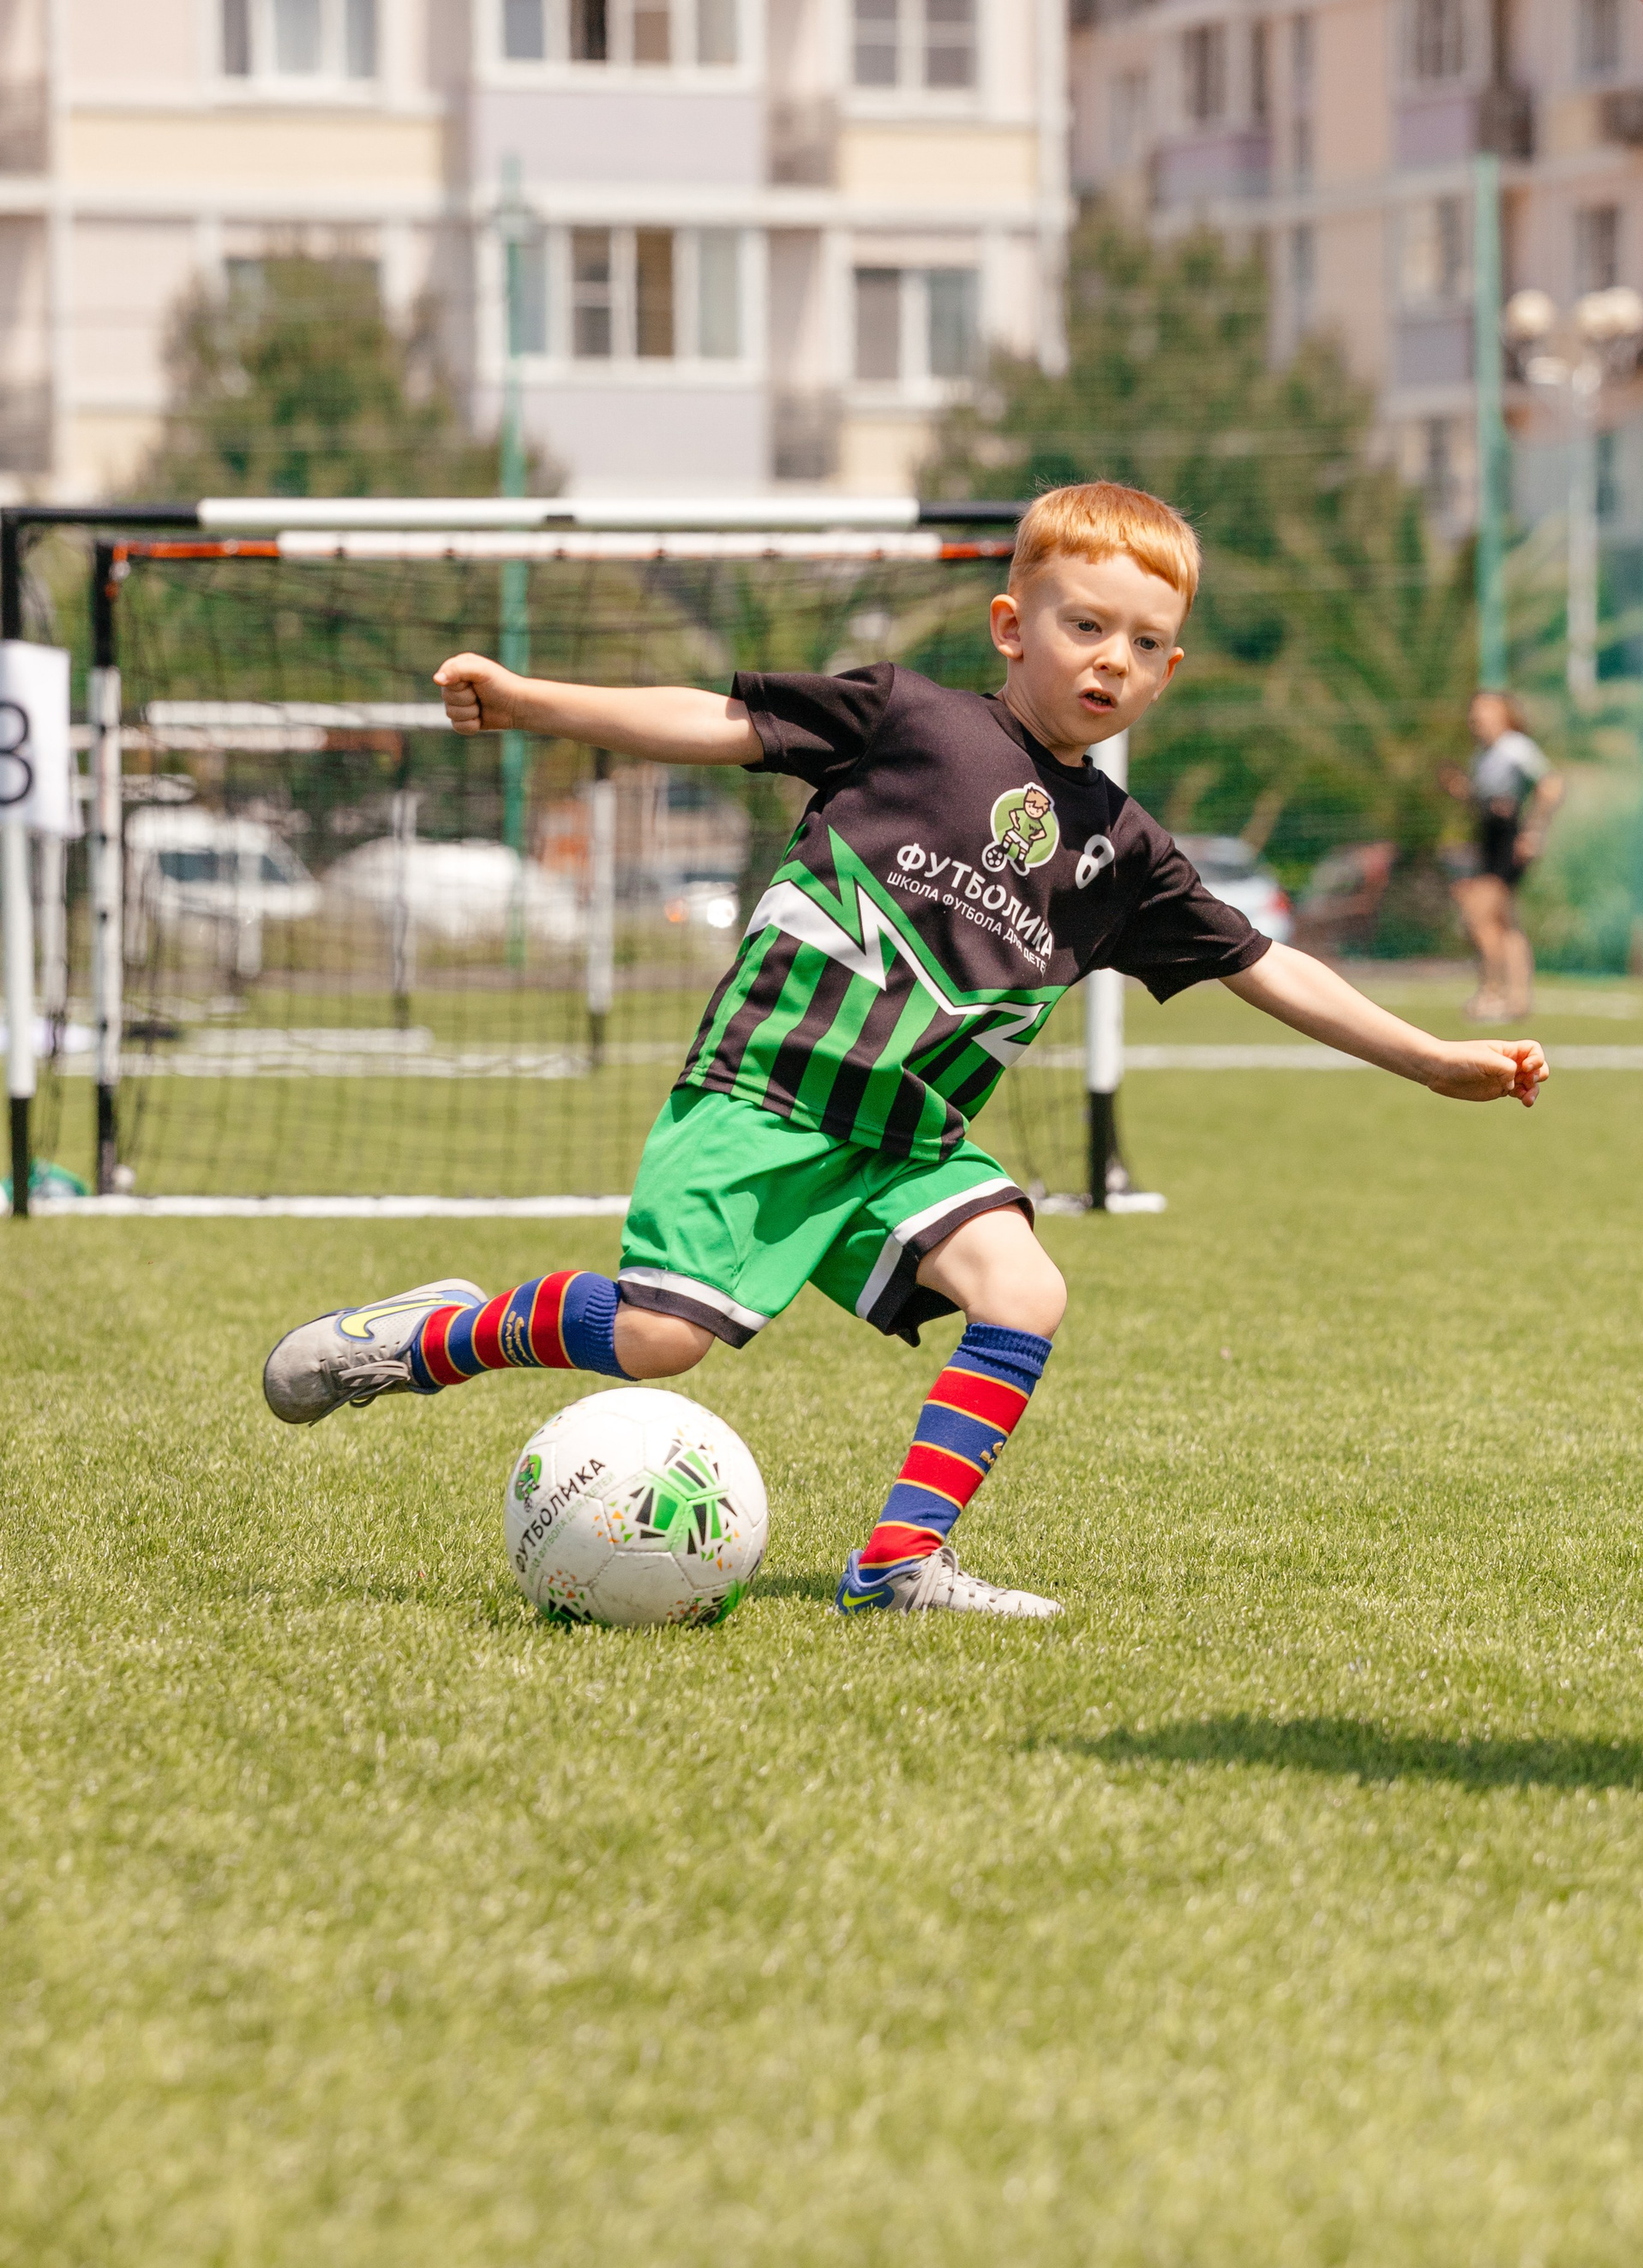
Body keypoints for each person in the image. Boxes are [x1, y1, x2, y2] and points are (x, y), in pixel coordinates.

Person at [263, 482, 1549, 1619]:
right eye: (1085, 626)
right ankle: (434, 1336)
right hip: (766, 1095)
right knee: (659, 1343)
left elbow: (1268, 965)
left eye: (1146, 644)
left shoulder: (1125, 852)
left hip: (903, 1142)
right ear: (1012, 626)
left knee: (1025, 1290)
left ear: (1171, 669)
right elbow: (717, 719)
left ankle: (898, 1565)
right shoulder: (907, 719)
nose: (1112, 661)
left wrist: (1431, 1058)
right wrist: (531, 703)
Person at [1441, 689, 1563, 1022]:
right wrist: (1463, 792)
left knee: (1479, 917)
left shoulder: (1515, 748)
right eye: (1475, 711)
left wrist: (1534, 831)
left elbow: (1550, 785)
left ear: (1504, 715)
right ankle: (1518, 998)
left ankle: (1492, 992)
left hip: (1508, 842)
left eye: (1486, 711)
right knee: (1504, 922)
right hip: (1490, 842)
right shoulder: (1482, 756)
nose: (1478, 718)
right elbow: (1485, 804)